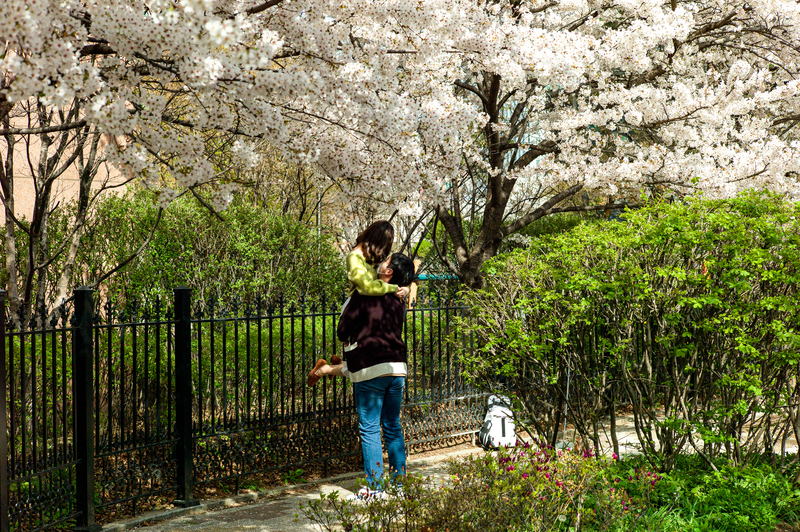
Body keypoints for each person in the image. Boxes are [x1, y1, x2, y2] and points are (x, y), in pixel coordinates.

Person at [326, 253, 416, 498]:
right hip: (397, 368)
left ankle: (375, 489)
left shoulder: (364, 295)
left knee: (369, 428)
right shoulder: (398, 299)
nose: (380, 263)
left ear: (389, 273)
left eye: (385, 262)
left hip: (370, 367)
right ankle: (399, 485)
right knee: (392, 426)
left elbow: (342, 331)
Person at [307, 220, 409, 385]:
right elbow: (366, 287)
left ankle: (330, 368)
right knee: (361, 356)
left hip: (368, 307)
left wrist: (405, 289)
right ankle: (325, 369)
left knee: (368, 356)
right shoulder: (354, 257)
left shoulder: (370, 258)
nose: (384, 253)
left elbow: (391, 275)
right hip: (356, 306)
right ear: (378, 241)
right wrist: (393, 289)